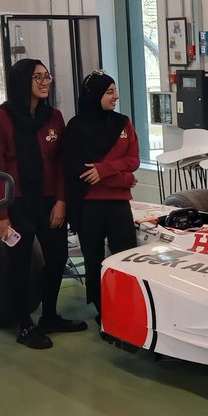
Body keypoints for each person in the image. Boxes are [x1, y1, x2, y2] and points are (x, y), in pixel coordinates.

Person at [0, 58, 85, 349]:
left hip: (49, 200)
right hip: (16, 202)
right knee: (20, 263)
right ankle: (24, 324)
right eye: (37, 77)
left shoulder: (53, 116)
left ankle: (50, 315)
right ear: (21, 81)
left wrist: (62, 201)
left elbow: (61, 164)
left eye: (47, 76)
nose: (44, 82)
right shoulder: (2, 118)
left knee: (56, 257)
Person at [63, 72, 140, 321]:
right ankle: (102, 309)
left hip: (118, 205)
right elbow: (81, 172)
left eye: (115, 90)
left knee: (125, 257)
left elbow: (134, 160)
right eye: (109, 92)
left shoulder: (123, 123)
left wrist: (107, 171)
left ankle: (127, 305)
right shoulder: (76, 127)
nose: (116, 96)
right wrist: (125, 179)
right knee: (93, 259)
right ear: (94, 95)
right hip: (89, 205)